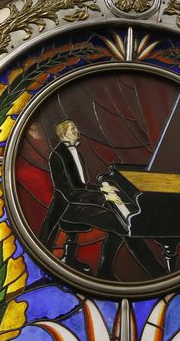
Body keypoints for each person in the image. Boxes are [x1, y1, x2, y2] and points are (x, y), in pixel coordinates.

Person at [38, 119, 165, 279]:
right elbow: (69, 192)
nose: (77, 131)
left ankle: (106, 271)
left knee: (120, 221)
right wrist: (102, 196)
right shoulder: (58, 156)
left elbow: (81, 186)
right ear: (64, 134)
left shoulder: (77, 153)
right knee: (122, 224)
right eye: (73, 128)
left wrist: (103, 189)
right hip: (69, 207)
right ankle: (154, 272)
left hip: (79, 201)